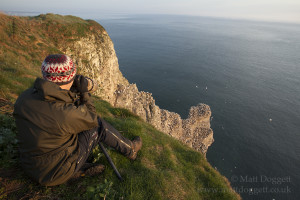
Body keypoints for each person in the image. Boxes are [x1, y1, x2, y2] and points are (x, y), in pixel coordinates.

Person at [13, 54, 142, 186]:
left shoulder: (24, 98)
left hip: (30, 165)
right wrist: (84, 93)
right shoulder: (65, 114)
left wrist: (68, 93)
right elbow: (91, 119)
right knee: (98, 126)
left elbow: (53, 114)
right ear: (69, 78)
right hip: (54, 173)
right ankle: (131, 150)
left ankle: (77, 169)